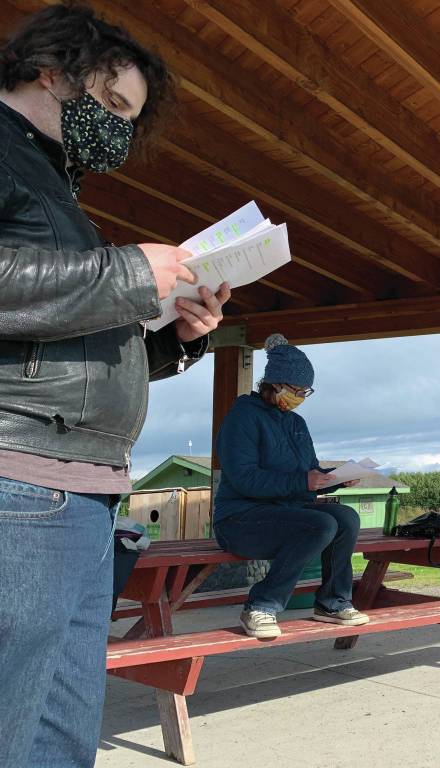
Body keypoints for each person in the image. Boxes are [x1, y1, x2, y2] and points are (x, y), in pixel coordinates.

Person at [0, 6, 230, 767]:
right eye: (113, 106)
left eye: (132, 119)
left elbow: (62, 339)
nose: (121, 133)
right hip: (19, 482)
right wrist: (131, 272)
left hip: (86, 491)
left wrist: (171, 339)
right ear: (53, 71)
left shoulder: (56, 194)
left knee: (60, 734)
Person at [213, 334, 369, 640]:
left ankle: (333, 603)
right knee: (320, 523)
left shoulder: (297, 423)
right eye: (295, 390)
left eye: (304, 392)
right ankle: (261, 606)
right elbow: (245, 478)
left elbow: (306, 475)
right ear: (274, 384)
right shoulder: (242, 417)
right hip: (240, 519)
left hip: (286, 513)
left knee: (347, 517)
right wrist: (304, 481)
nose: (298, 397)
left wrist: (334, 479)